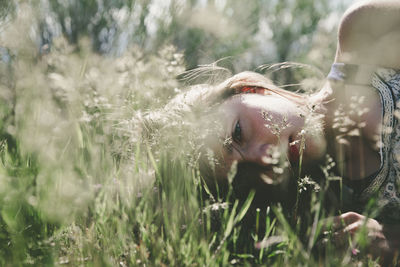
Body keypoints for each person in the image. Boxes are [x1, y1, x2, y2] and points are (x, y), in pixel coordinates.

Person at [142, 0, 400, 262]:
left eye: (238, 133)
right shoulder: (366, 216)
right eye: (242, 175)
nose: (264, 157)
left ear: (247, 88)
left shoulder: (362, 35)